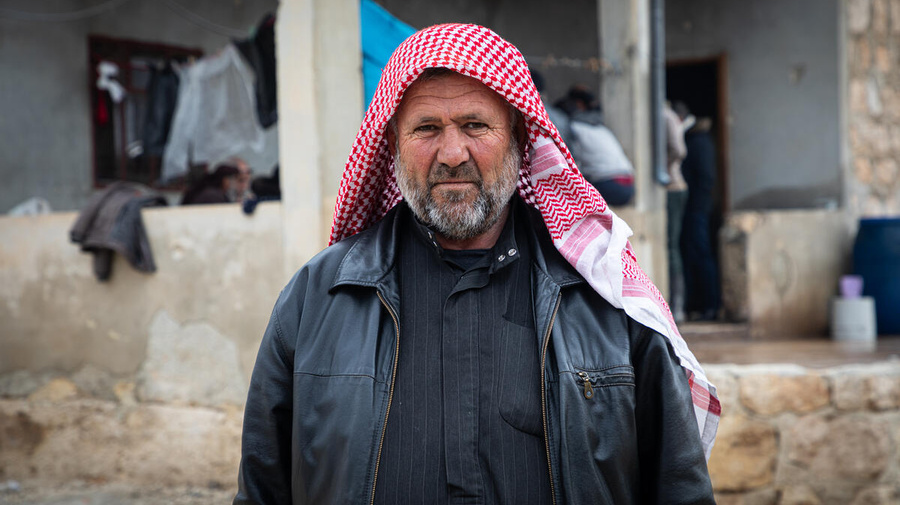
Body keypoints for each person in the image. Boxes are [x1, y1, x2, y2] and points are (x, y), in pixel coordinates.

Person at [235, 24, 718, 505]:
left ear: (518, 138)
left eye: (475, 125)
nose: (451, 154)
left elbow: (678, 487)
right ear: (392, 145)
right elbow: (262, 488)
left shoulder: (604, 295)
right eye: (426, 128)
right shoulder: (317, 296)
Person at [555, 86, 635, 206]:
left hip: (610, 184)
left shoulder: (574, 127)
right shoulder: (600, 127)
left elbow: (571, 160)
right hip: (630, 185)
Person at [680, 116, 720, 321]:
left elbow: (706, 178)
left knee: (702, 255)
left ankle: (710, 306)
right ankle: (699, 305)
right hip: (695, 207)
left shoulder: (699, 142)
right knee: (694, 255)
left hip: (697, 208)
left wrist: (695, 205)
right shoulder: (697, 140)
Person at [663, 101, 690, 322]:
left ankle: (678, 306)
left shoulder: (666, 115)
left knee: (672, 246)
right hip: (669, 187)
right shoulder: (661, 114)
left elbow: (679, 150)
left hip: (673, 186)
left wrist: (663, 166)